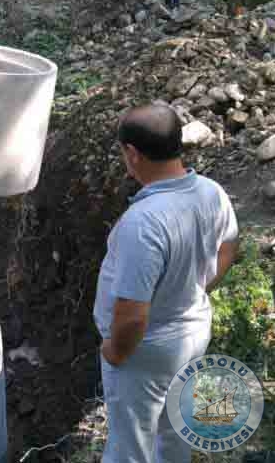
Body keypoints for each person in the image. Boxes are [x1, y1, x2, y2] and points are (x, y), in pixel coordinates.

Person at [94, 104, 239, 463]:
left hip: (145, 350)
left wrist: (115, 352)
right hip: (191, 332)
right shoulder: (210, 191)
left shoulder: (142, 223)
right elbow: (229, 245)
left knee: (130, 448)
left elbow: (131, 317)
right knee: (175, 432)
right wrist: (197, 288)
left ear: (132, 153)